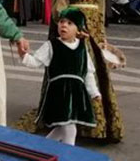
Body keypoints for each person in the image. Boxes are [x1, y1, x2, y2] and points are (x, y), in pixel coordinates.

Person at [17, 0, 124, 142]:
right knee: (75, 69)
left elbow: (100, 7)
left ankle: (96, 122)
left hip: (93, 29)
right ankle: (70, 119)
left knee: (92, 71)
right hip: (78, 28)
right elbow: (59, 7)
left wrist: (101, 33)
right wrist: (74, 26)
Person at [22, 7, 101, 146]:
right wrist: (23, 54)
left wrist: (94, 92)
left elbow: (87, 73)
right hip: (59, 93)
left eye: (70, 23)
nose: (64, 25)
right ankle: (68, 154)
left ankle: (42, 148)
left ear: (78, 30)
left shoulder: (82, 49)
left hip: (76, 94)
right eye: (61, 22)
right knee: (69, 129)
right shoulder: (51, 45)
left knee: (62, 128)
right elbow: (35, 62)